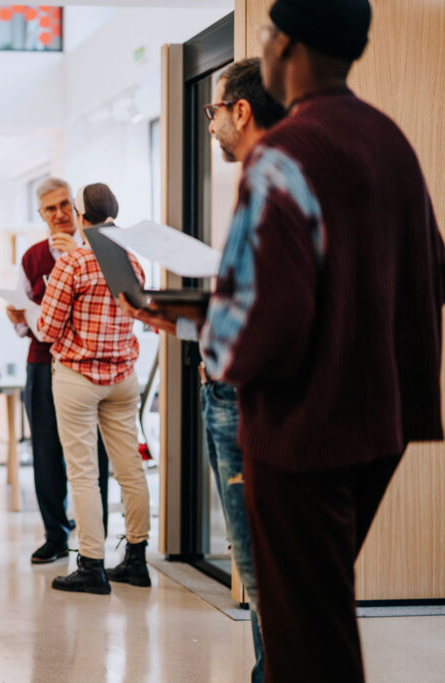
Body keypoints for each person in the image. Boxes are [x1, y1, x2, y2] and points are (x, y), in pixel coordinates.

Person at [146, 1, 442, 678]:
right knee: (322, 612)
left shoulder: (282, 153)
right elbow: (430, 269)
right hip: (379, 420)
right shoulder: (387, 139)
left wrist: (205, 337)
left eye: (268, 36)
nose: (267, 48)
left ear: (289, 48)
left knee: (303, 636)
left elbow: (269, 319)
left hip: (301, 426)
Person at [120, 57, 285, 683]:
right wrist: (188, 320)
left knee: (260, 561)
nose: (211, 124)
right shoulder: (262, 182)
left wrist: (202, 319)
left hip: (246, 398)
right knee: (261, 563)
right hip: (230, 386)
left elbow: (277, 308)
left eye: (213, 111)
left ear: (241, 110)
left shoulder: (274, 182)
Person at [37, 183, 150, 595]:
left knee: (83, 473)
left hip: (79, 379)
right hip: (123, 378)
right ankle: (136, 560)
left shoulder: (74, 262)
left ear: (82, 218)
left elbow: (47, 330)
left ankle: (92, 565)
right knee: (130, 468)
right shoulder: (134, 263)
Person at [5, 177, 110, 564]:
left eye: (65, 205)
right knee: (46, 451)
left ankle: (93, 538)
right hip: (42, 363)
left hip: (86, 367)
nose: (60, 214)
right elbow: (23, 322)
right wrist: (17, 315)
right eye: (51, 209)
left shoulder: (99, 250)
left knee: (93, 454)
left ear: (77, 208)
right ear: (41, 215)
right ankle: (55, 534)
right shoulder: (32, 257)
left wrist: (74, 257)